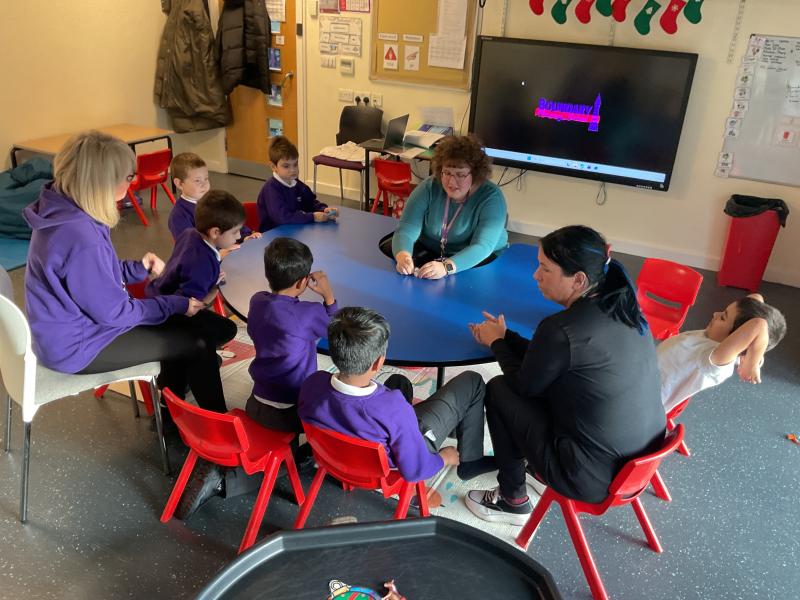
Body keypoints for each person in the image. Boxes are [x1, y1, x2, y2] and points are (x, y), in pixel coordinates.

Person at [22, 130, 235, 414]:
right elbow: (115, 313)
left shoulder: (64, 207)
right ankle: (211, 425)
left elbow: (92, 275)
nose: (132, 183)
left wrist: (138, 269)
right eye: (128, 177)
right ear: (102, 181)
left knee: (208, 329)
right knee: (196, 343)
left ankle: (174, 399)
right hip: (79, 346)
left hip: (75, 329)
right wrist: (175, 304)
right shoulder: (80, 235)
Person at [465, 225, 666, 525]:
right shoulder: (623, 307)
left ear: (579, 280)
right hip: (636, 461)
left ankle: (512, 498)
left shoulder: (561, 328)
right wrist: (507, 337)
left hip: (589, 477)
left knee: (499, 389)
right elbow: (550, 359)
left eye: (545, 269)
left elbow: (524, 385)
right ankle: (528, 470)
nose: (536, 275)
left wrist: (497, 343)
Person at [174, 236, 338, 519]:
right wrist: (328, 296)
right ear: (302, 282)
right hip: (291, 411)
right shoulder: (307, 313)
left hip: (258, 400)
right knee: (327, 408)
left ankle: (221, 471)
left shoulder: (258, 301)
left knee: (277, 449)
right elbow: (336, 329)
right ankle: (228, 479)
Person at [298, 306, 497, 484]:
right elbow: (416, 471)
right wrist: (444, 458)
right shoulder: (394, 408)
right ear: (378, 363)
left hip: (337, 458)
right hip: (388, 472)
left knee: (399, 382)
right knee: (472, 381)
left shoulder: (312, 383)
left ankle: (453, 425)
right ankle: (470, 462)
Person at [387, 135, 508, 280]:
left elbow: (482, 246)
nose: (451, 182)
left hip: (479, 258)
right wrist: (403, 256)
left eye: (460, 175)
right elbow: (406, 229)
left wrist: (447, 267)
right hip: (435, 253)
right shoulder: (429, 187)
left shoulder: (491, 198)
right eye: (447, 173)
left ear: (476, 174)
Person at [657, 293, 786, 413]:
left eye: (723, 317)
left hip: (648, 399)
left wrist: (751, 364)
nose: (715, 314)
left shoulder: (714, 359)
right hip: (649, 372)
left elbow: (759, 324)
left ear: (736, 337)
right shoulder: (713, 336)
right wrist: (754, 353)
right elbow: (756, 297)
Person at [147, 190, 244, 306]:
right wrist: (214, 288)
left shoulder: (190, 233)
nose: (239, 236)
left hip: (158, 289)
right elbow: (191, 307)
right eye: (235, 232)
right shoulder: (203, 266)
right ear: (215, 232)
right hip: (168, 310)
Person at [167, 152, 260, 243]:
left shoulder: (214, 201)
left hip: (233, 247)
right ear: (179, 184)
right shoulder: (178, 216)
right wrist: (220, 251)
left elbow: (232, 220)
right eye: (197, 181)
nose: (204, 184)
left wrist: (247, 236)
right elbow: (189, 246)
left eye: (206, 178)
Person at [256, 136, 338, 232]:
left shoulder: (298, 184)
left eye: (295, 164)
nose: (293, 170)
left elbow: (311, 203)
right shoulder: (271, 189)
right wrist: (313, 217)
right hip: (273, 235)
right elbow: (283, 218)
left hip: (295, 230)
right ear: (274, 167)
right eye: (286, 166)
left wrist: (324, 210)